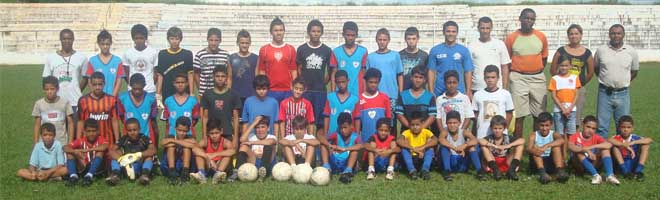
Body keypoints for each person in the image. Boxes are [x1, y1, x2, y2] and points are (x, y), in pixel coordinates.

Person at [505, 8, 549, 139]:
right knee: (519, 115)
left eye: (532, 19)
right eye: (526, 18)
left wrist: (535, 70)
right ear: (520, 19)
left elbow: (544, 58)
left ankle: (535, 147)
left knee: (539, 115)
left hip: (537, 77)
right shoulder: (512, 38)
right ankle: (518, 147)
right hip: (518, 77)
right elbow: (507, 60)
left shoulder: (541, 36)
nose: (529, 21)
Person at [594, 24, 639, 137]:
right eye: (613, 33)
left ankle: (620, 153)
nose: (616, 36)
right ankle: (603, 153)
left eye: (619, 33)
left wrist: (623, 82)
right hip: (605, 92)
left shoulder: (631, 51)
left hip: (623, 93)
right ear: (609, 35)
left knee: (623, 126)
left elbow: (634, 71)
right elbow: (596, 68)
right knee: (601, 127)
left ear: (623, 35)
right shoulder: (601, 50)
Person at [549, 24, 594, 124]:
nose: (574, 36)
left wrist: (580, 84)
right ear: (568, 36)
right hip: (562, 90)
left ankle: (573, 138)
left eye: (576, 34)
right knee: (561, 118)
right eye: (571, 34)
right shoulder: (561, 51)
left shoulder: (587, 53)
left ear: (581, 35)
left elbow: (591, 73)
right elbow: (552, 70)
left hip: (578, 89)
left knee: (575, 119)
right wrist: (561, 82)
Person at [297, 19, 334, 138]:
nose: (316, 33)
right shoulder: (302, 49)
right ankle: (305, 145)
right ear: (309, 32)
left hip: (320, 91)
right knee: (305, 120)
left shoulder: (327, 50)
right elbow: (299, 68)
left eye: (318, 31)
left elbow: (330, 70)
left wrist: (325, 81)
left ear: (322, 33)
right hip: (306, 91)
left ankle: (318, 147)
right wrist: (302, 84)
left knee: (319, 122)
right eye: (313, 31)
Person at [42, 29, 87, 121]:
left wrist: (77, 88)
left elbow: (85, 77)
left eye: (69, 38)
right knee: (58, 131)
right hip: (56, 101)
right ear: (60, 39)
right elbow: (46, 79)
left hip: (75, 101)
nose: (67, 41)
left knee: (74, 131)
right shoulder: (51, 58)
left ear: (73, 39)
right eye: (64, 39)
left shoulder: (82, 58)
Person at [320, 70, 359, 169]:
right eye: (338, 82)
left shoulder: (354, 99)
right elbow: (327, 116)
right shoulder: (330, 97)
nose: (341, 85)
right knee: (329, 149)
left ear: (348, 81)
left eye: (343, 82)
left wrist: (357, 134)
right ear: (335, 82)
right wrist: (325, 133)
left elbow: (357, 118)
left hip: (347, 137)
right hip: (333, 135)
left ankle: (350, 167)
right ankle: (327, 165)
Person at [367, 28, 403, 132]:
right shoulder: (371, 57)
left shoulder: (395, 55)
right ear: (376, 40)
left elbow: (399, 74)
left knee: (391, 124)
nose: (382, 42)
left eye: (384, 40)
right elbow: (367, 78)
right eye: (380, 39)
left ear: (388, 40)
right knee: (377, 123)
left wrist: (400, 92)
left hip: (391, 95)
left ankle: (392, 145)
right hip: (375, 95)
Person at [568, 116, 620, 185]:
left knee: (605, 150)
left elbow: (609, 145)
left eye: (593, 128)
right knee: (579, 152)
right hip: (579, 165)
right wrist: (584, 150)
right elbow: (571, 146)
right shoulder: (575, 136)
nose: (590, 130)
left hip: (594, 163)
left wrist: (592, 147)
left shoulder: (596, 137)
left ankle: (610, 175)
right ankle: (595, 175)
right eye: (588, 127)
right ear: (582, 125)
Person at [428, 21, 474, 97]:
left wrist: (468, 91)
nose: (450, 34)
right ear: (443, 32)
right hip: (440, 91)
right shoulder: (435, 50)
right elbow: (431, 71)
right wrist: (431, 90)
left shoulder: (463, 50)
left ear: (457, 33)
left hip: (459, 91)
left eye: (453, 31)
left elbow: (468, 71)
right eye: (448, 31)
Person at [105, 118, 157, 186]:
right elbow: (111, 151)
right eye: (129, 130)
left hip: (140, 165)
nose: (132, 133)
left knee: (149, 157)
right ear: (126, 131)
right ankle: (115, 175)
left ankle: (144, 176)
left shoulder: (144, 138)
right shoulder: (124, 139)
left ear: (139, 129)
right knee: (115, 155)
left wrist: (139, 155)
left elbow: (153, 150)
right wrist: (121, 160)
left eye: (135, 130)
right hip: (126, 166)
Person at [257, 17, 297, 103]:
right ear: (271, 32)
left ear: (284, 31)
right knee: (271, 116)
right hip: (270, 90)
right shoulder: (264, 49)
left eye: (281, 30)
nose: (278, 33)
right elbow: (262, 71)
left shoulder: (291, 49)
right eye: (276, 30)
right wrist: (263, 88)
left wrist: (293, 88)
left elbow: (294, 71)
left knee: (286, 116)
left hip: (287, 90)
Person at [467, 16, 511, 93]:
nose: (485, 31)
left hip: (497, 88)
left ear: (491, 28)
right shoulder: (471, 46)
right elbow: (469, 70)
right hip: (477, 88)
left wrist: (504, 88)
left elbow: (504, 67)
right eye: (482, 28)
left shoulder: (500, 44)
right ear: (478, 28)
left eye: (487, 28)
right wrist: (468, 90)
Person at [438, 111, 484, 181]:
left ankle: (479, 171)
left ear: (459, 123)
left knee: (472, 147)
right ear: (446, 123)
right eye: (450, 123)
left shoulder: (464, 131)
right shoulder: (445, 131)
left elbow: (475, 140)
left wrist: (464, 146)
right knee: (444, 147)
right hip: (449, 161)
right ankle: (447, 171)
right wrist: (454, 148)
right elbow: (441, 140)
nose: (452, 125)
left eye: (455, 123)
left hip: (461, 162)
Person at [200, 66, 241, 145]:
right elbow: (205, 117)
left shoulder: (233, 95)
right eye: (217, 76)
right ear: (213, 77)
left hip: (227, 132)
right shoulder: (207, 94)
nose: (220, 79)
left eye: (222, 76)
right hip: (212, 133)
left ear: (226, 78)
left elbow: (236, 118)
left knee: (227, 154)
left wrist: (235, 137)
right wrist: (204, 136)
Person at [77, 72, 120, 143]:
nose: (97, 87)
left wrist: (117, 140)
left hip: (108, 140)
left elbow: (114, 120)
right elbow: (81, 122)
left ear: (104, 84)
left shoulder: (112, 100)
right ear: (90, 84)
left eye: (100, 84)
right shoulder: (83, 100)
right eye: (94, 85)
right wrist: (78, 140)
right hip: (89, 142)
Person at [64, 119, 109, 187]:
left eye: (94, 131)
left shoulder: (101, 139)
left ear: (98, 131)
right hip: (84, 166)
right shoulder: (81, 140)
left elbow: (105, 147)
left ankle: (89, 176)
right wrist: (75, 152)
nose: (91, 134)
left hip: (99, 169)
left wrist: (88, 150)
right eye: (89, 131)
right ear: (84, 132)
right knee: (70, 153)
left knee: (100, 152)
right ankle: (73, 177)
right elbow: (65, 147)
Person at [156, 26, 194, 108]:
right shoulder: (162, 54)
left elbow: (190, 74)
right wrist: (158, 94)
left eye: (177, 39)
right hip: (167, 91)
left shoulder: (187, 54)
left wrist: (191, 93)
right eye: (172, 38)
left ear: (180, 39)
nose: (174, 41)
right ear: (168, 39)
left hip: (183, 90)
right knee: (169, 116)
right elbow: (160, 75)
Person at [472, 65, 514, 139]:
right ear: (484, 78)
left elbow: (509, 114)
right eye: (488, 77)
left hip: (500, 134)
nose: (490, 80)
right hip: (483, 133)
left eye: (493, 77)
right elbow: (475, 114)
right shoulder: (477, 95)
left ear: (498, 78)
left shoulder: (505, 94)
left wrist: (504, 128)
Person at [527, 112, 568, 184]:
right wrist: (537, 150)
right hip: (538, 163)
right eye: (542, 125)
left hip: (551, 161)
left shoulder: (554, 134)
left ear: (551, 125)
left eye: (547, 125)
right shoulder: (533, 135)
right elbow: (529, 148)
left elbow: (561, 140)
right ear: (538, 124)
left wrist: (546, 146)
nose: (544, 128)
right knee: (535, 150)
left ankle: (559, 171)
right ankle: (542, 174)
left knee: (556, 148)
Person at [189, 120, 235, 184]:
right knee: (199, 154)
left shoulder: (225, 142)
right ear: (208, 133)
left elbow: (232, 151)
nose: (214, 136)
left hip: (220, 166)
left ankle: (218, 174)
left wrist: (215, 154)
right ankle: (201, 174)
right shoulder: (205, 141)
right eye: (212, 133)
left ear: (221, 131)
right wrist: (207, 157)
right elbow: (194, 149)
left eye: (217, 133)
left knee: (227, 155)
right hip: (209, 165)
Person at [479, 115, 524, 181]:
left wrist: (507, 146)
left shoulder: (507, 137)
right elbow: (480, 141)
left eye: (500, 128)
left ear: (504, 128)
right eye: (495, 128)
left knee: (520, 146)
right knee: (483, 146)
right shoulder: (489, 138)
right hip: (493, 162)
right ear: (491, 128)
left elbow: (522, 140)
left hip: (506, 161)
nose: (497, 131)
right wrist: (495, 146)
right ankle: (495, 171)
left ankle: (511, 170)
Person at [117, 74, 159, 145]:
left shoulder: (151, 99)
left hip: (147, 136)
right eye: (134, 89)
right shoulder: (122, 98)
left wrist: (155, 142)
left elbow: (153, 120)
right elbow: (121, 116)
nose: (137, 91)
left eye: (139, 89)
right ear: (130, 85)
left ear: (144, 85)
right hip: (129, 137)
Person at [329, 21, 368, 97]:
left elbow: (364, 73)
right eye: (348, 35)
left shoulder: (363, 51)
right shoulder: (336, 52)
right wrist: (333, 93)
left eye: (353, 35)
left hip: (358, 93)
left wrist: (365, 93)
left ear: (356, 35)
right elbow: (333, 73)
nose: (350, 38)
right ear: (343, 35)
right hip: (340, 93)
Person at [609, 115, 653, 181]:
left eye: (628, 127)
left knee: (645, 145)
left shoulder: (634, 138)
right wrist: (624, 145)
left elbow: (649, 140)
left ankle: (638, 171)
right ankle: (625, 171)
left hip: (633, 164)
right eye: (623, 127)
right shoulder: (616, 138)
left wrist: (634, 142)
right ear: (619, 128)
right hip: (620, 166)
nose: (626, 129)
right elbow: (609, 140)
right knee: (615, 147)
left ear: (632, 128)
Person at [33, 76, 74, 146]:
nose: (49, 92)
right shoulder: (39, 104)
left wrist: (70, 143)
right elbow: (37, 125)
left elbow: (70, 124)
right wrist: (36, 143)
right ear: (43, 90)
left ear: (57, 89)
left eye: (52, 89)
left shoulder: (65, 103)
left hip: (61, 143)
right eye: (47, 89)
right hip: (44, 143)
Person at [397, 111, 437, 180]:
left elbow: (435, 140)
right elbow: (399, 140)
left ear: (422, 124)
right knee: (404, 150)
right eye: (412, 125)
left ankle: (425, 170)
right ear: (409, 125)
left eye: (417, 125)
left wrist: (422, 147)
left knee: (430, 149)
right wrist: (413, 149)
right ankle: (412, 171)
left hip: (422, 158)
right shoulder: (407, 132)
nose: (415, 127)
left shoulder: (425, 131)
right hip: (411, 158)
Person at [235, 116, 277, 182]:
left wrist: (251, 143)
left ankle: (262, 172)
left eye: (263, 127)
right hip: (254, 162)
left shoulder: (272, 137)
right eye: (257, 127)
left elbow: (270, 142)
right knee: (244, 146)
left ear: (268, 128)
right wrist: (253, 124)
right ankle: (236, 171)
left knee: (268, 146)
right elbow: (242, 139)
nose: (260, 130)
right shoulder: (252, 136)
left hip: (267, 163)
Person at [396, 66, 436, 134]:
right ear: (411, 78)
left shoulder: (429, 96)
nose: (417, 80)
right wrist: (411, 127)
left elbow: (432, 116)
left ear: (424, 80)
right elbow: (399, 114)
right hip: (407, 131)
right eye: (416, 77)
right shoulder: (403, 95)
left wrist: (420, 128)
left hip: (424, 132)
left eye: (420, 78)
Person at [84, 30, 125, 97]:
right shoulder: (92, 61)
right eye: (102, 44)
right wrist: (95, 96)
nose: (105, 46)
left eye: (107, 44)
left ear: (111, 43)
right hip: (97, 98)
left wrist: (113, 97)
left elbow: (119, 80)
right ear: (98, 44)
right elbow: (89, 80)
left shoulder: (117, 61)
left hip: (112, 97)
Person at [549, 55, 581, 138]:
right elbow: (554, 96)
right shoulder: (554, 79)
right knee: (559, 134)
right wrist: (563, 109)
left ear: (570, 66)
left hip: (572, 110)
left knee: (571, 133)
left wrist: (569, 109)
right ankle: (560, 150)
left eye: (566, 66)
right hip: (559, 110)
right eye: (562, 65)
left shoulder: (575, 78)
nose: (564, 68)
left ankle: (571, 150)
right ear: (558, 66)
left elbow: (576, 95)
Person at [356, 68, 392, 143]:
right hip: (365, 139)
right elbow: (357, 121)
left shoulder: (384, 98)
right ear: (365, 82)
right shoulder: (359, 99)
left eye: (376, 82)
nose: (373, 85)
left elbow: (388, 118)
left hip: (382, 140)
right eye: (371, 82)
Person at [194, 28, 232, 99]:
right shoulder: (200, 55)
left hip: (221, 93)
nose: (213, 43)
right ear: (207, 40)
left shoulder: (225, 55)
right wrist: (201, 89)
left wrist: (227, 89)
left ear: (220, 40)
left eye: (216, 40)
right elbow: (196, 74)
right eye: (211, 40)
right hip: (204, 93)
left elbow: (229, 74)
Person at [325, 112, 362, 184]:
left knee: (355, 151)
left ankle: (347, 172)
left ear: (351, 126)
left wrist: (344, 149)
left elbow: (361, 146)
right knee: (324, 145)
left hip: (346, 163)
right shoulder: (336, 134)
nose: (343, 130)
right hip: (335, 161)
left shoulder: (355, 137)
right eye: (341, 128)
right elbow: (321, 138)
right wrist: (330, 145)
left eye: (345, 127)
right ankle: (326, 167)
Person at [122, 24, 158, 94]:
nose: (139, 40)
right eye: (136, 38)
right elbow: (126, 74)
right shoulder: (127, 53)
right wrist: (132, 85)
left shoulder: (153, 52)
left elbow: (155, 74)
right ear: (133, 38)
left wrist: (150, 84)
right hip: (133, 90)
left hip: (149, 90)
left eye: (141, 38)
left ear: (146, 38)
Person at [161, 117, 198, 185]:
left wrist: (174, 141)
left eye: (184, 131)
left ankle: (185, 173)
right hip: (169, 165)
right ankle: (172, 173)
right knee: (171, 147)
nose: (181, 133)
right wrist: (182, 142)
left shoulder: (189, 137)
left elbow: (194, 144)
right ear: (175, 128)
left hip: (184, 164)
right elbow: (163, 143)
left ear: (188, 130)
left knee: (186, 148)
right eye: (179, 130)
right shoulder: (171, 136)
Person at [230, 30, 258, 106]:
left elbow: (257, 77)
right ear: (237, 43)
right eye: (242, 43)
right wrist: (228, 94)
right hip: (235, 94)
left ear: (250, 43)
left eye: (246, 43)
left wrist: (257, 93)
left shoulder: (255, 58)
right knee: (236, 117)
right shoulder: (231, 58)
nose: (244, 45)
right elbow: (229, 78)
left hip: (251, 95)